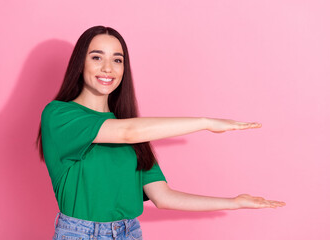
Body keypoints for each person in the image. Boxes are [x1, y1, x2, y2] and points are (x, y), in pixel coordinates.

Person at [36, 25, 286, 240]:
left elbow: (163, 196)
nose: (108, 68)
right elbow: (127, 133)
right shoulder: (59, 115)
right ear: (80, 64)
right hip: (81, 233)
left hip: (129, 231)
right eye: (97, 57)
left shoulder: (134, 130)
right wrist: (205, 122)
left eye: (117, 59)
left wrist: (233, 202)